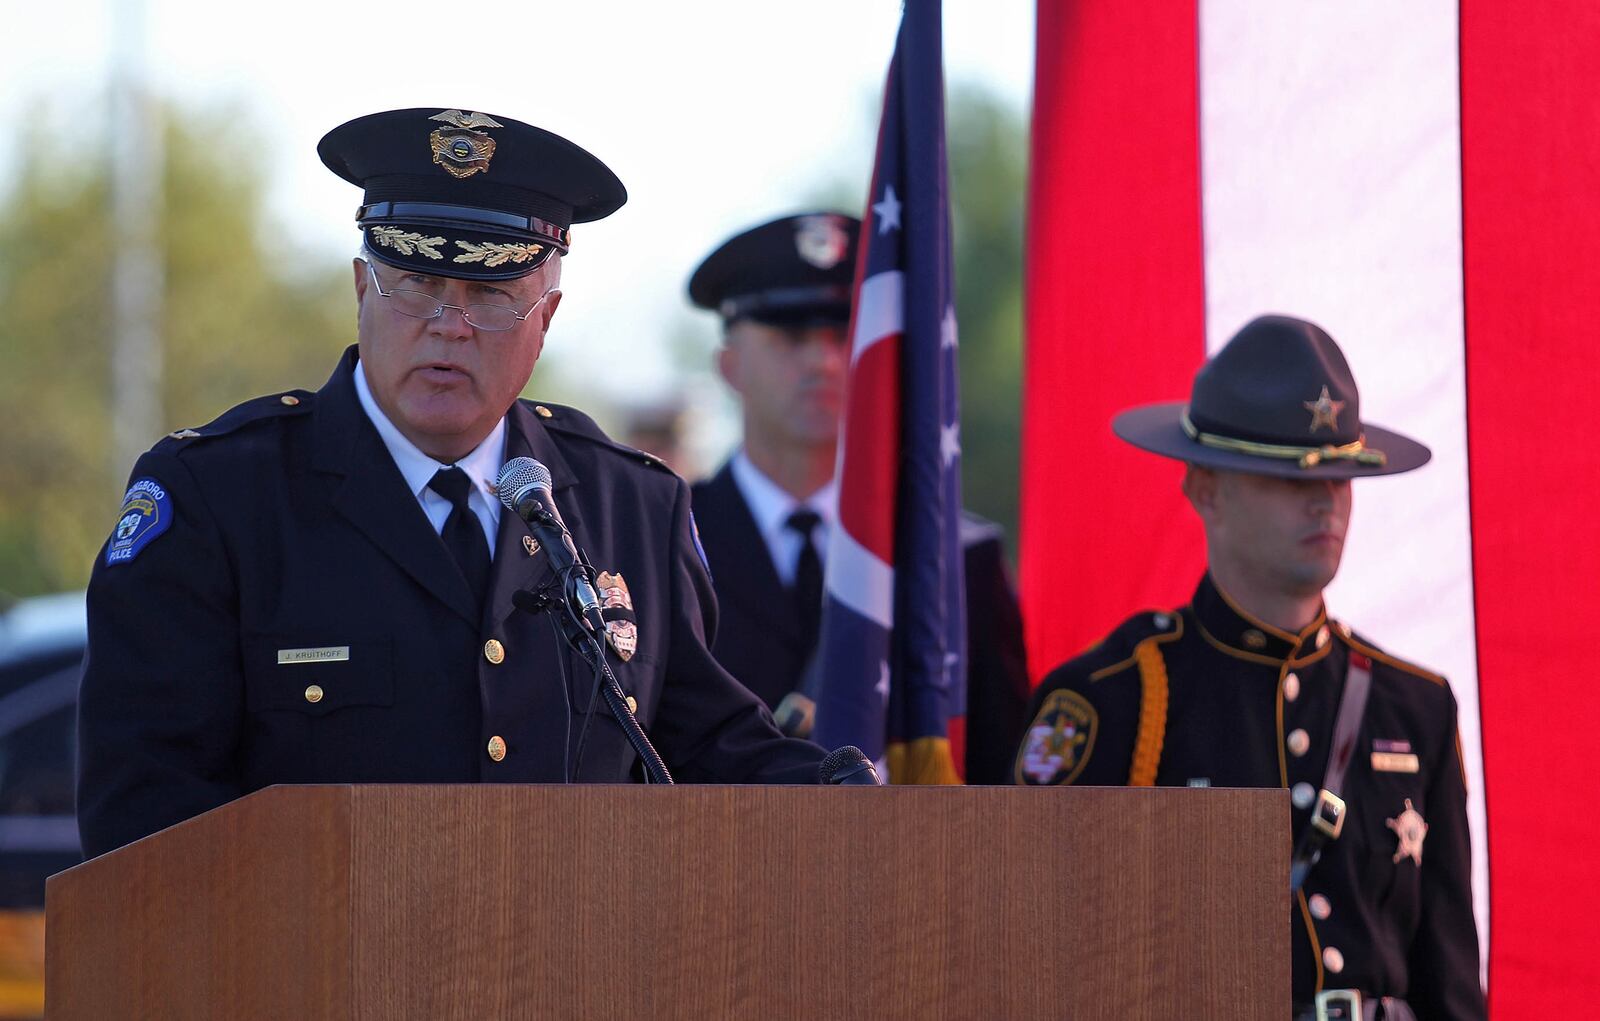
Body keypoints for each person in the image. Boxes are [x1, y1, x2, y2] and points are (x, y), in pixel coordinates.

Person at [76, 108, 827, 859]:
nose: (448, 324)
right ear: (362, 288)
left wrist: (865, 807)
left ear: (547, 319)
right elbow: (144, 815)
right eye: (417, 282)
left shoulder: (630, 505)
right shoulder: (220, 499)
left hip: (568, 972)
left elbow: (712, 755)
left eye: (490, 295)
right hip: (319, 971)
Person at [1015, 315, 1484, 1020]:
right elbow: (1036, 965)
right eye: (1286, 477)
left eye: (1340, 475)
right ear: (1205, 489)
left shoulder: (1414, 706)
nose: (1324, 499)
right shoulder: (1114, 699)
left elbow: (1449, 984)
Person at [688, 213, 1030, 784]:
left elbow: (1003, 777)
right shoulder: (661, 540)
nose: (822, 361)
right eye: (790, 338)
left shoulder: (956, 556)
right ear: (729, 365)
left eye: (843, 336)